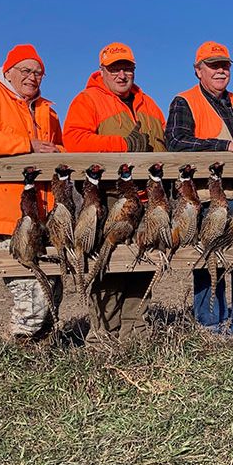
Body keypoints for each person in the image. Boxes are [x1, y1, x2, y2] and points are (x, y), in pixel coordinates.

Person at [63, 42, 167, 345]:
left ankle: (135, 333)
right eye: (115, 69)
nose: (122, 74)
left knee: (141, 262)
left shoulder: (149, 104)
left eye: (127, 68)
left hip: (148, 198)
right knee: (107, 264)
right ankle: (104, 335)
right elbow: (74, 141)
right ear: (102, 71)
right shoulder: (87, 100)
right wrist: (123, 147)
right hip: (109, 196)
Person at [0, 44, 63, 341]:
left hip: (47, 213)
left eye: (39, 72)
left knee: (53, 286)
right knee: (30, 293)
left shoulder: (47, 110)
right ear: (8, 72)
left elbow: (59, 149)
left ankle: (46, 350)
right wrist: (27, 145)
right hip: (9, 214)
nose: (33, 77)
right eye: (26, 71)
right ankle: (23, 352)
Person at [165, 41, 233, 333]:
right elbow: (176, 143)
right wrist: (224, 147)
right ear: (198, 70)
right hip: (211, 196)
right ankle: (211, 326)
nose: (220, 70)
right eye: (213, 65)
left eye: (225, 65)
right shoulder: (184, 101)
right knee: (210, 261)